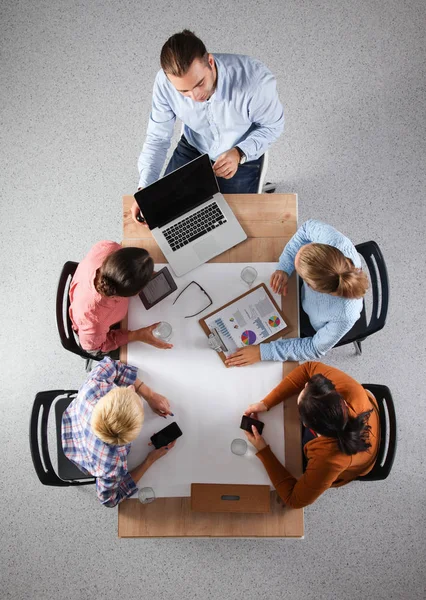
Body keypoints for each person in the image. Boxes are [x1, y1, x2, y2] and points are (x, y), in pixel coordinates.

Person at [131, 29, 284, 224]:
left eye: (199, 83)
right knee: (166, 218)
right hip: (194, 146)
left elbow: (273, 126)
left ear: (210, 62)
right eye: (184, 91)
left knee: (234, 228)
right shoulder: (164, 83)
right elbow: (157, 138)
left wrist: (239, 153)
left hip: (240, 152)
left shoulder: (255, 82)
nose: (195, 97)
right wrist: (145, 189)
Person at [226, 219, 369, 366]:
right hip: (304, 300)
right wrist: (284, 267)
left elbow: (314, 348)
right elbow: (306, 230)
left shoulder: (345, 315)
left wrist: (261, 353)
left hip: (312, 324)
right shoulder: (337, 242)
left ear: (311, 286)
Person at [243, 362, 379, 508]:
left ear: (307, 426)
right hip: (368, 418)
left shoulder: (329, 459)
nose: (306, 384)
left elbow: (293, 500)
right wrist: (266, 403)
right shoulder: (352, 390)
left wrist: (263, 450)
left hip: (360, 461)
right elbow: (308, 368)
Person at [62, 357, 176, 507]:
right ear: (129, 439)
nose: (131, 388)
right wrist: (149, 460)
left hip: (71, 420)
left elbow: (111, 365)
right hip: (79, 454)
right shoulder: (111, 464)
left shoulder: (93, 388)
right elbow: (109, 500)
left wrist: (149, 394)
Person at [69, 240, 173, 353]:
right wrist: (137, 335)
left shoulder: (109, 248)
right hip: (95, 332)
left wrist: (140, 271)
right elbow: (94, 349)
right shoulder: (94, 322)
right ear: (134, 293)